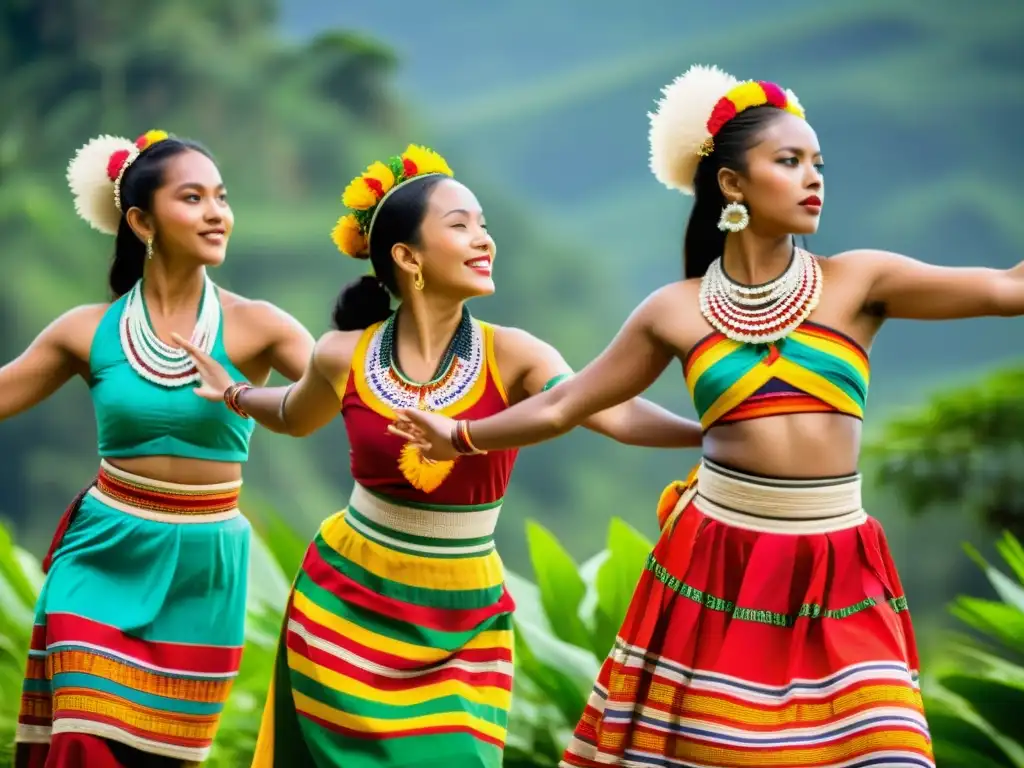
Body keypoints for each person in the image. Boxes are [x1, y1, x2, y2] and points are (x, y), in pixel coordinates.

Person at [383, 64, 1013, 767]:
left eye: (818, 164)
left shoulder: (860, 280)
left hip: (840, 561)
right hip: (723, 561)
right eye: (790, 161)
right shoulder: (675, 310)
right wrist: (462, 434)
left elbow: (1001, 287)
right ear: (732, 185)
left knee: (886, 753)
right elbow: (568, 401)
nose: (814, 178)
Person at [173, 143, 703, 767]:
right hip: (345, 602)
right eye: (461, 226)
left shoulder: (515, 354)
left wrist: (709, 433)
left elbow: (606, 410)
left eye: (484, 226)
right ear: (407, 257)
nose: (484, 240)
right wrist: (234, 392)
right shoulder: (342, 353)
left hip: (461, 618)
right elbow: (291, 413)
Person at [8, 129, 314, 767]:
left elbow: (334, 404)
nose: (216, 213)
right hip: (103, 554)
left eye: (221, 198)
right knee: (85, 738)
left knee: (161, 758)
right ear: (142, 220)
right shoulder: (85, 330)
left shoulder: (261, 325)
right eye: (194, 197)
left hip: (202, 570)